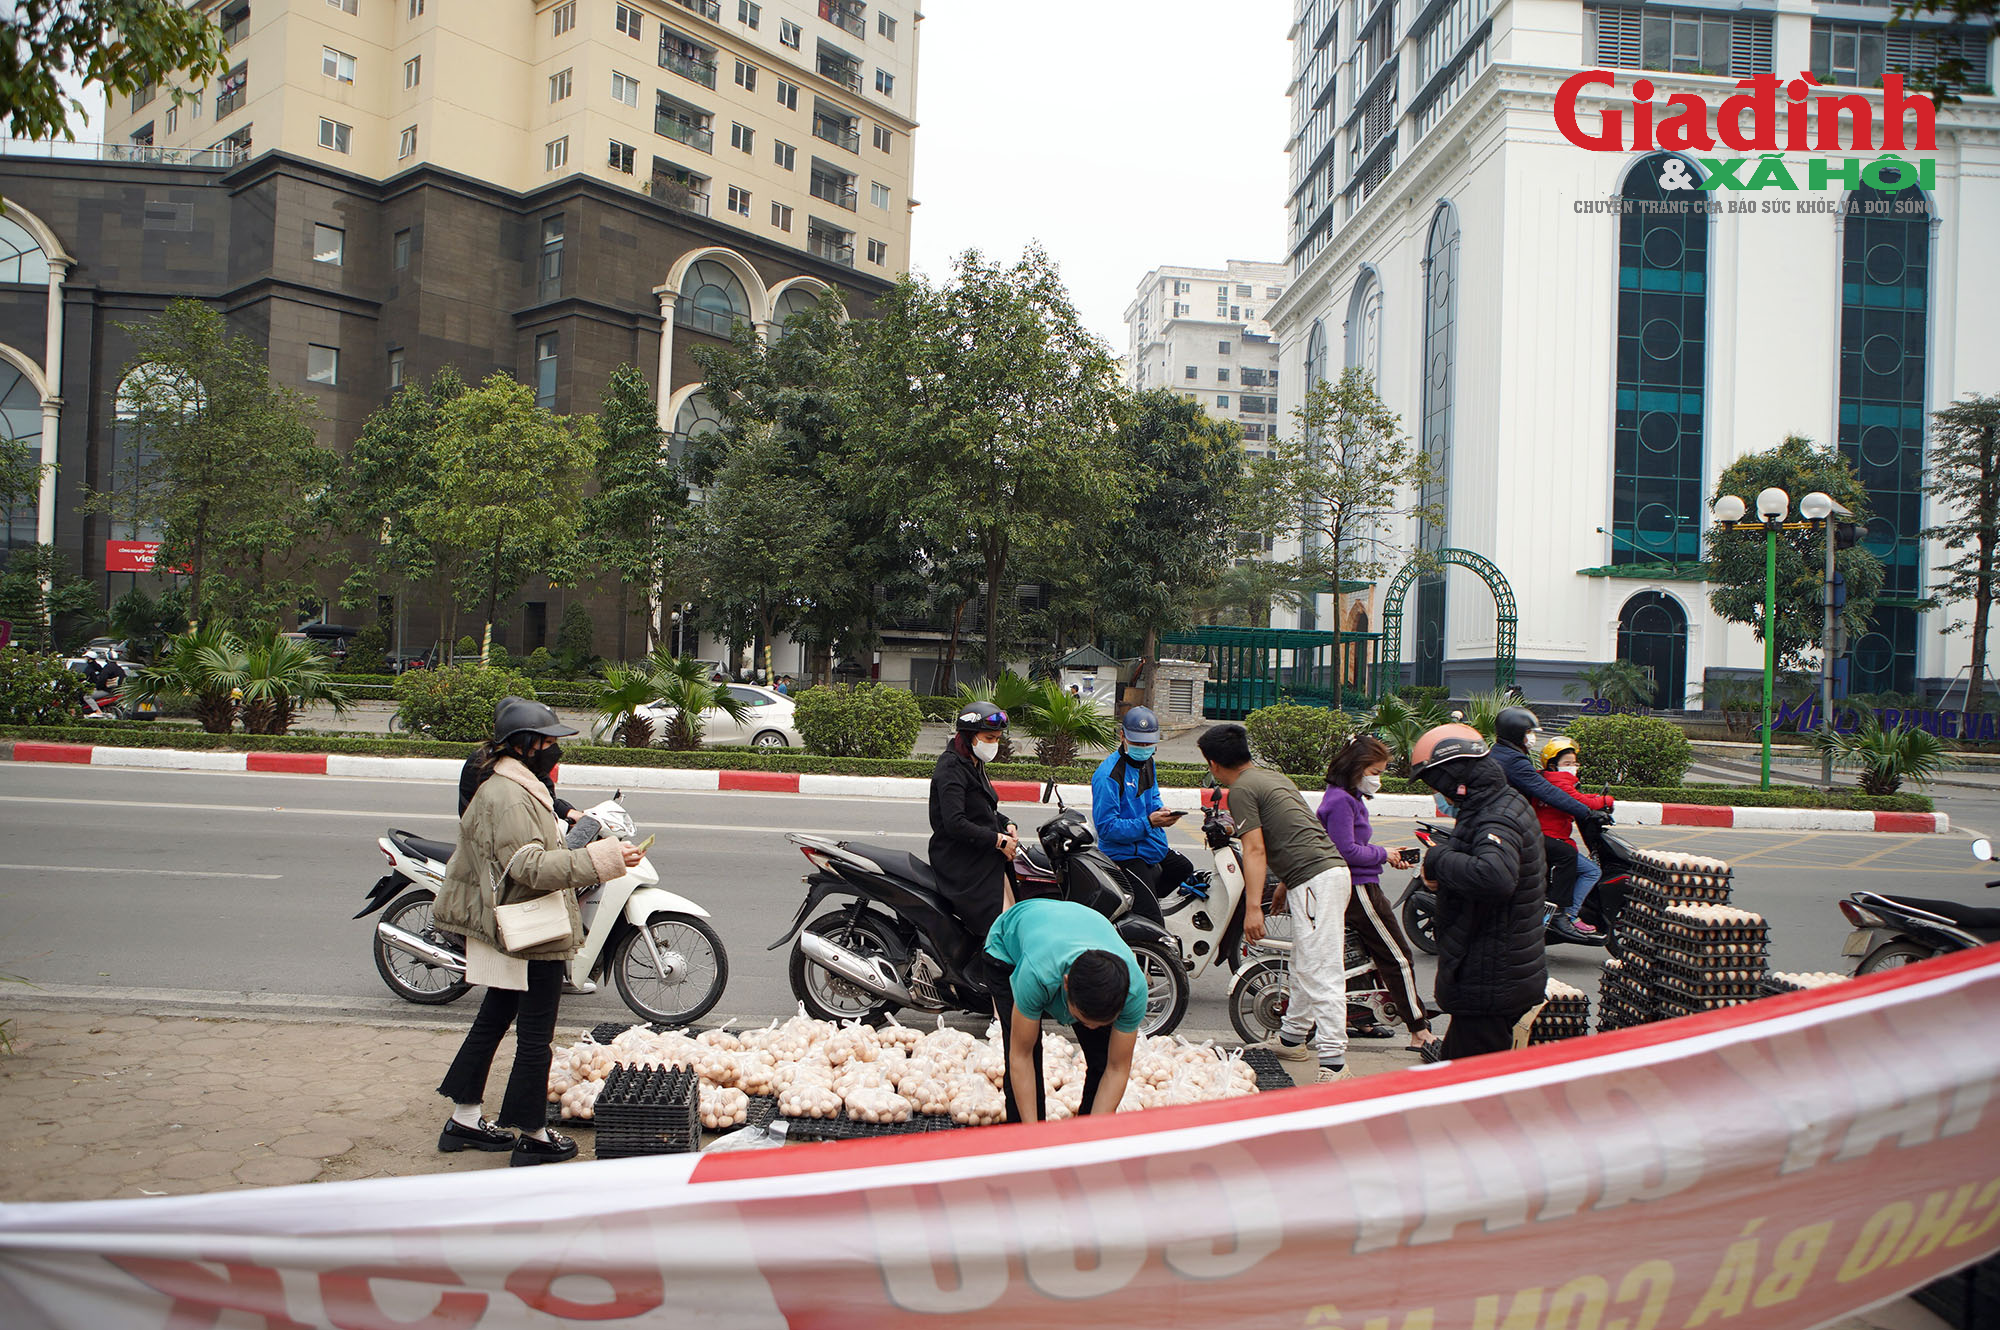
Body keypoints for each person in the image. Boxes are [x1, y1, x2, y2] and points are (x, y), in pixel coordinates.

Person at [431, 699, 645, 1165]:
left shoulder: (511, 784)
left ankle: (464, 1119)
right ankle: (533, 1135)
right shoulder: (510, 795)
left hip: (512, 921)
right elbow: (528, 867)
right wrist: (606, 858)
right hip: (531, 930)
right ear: (525, 745)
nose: (554, 749)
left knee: (494, 1019)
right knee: (534, 1035)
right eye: (547, 741)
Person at [1197, 722, 1352, 1084]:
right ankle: (1292, 1039)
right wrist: (1283, 883)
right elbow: (1296, 832)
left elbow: (1254, 849)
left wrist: (1254, 908)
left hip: (1316, 881)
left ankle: (1335, 1063)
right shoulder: (1272, 778)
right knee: (1303, 962)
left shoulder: (1240, 790)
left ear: (1214, 764)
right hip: (1318, 876)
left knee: (1321, 970)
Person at [1410, 723, 1550, 1061]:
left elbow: (1494, 876)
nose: (1437, 793)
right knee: (1460, 1073)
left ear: (1455, 778)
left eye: (1436, 784)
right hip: (1494, 974)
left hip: (1491, 979)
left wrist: (1438, 859)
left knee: (1470, 1081)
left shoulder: (1496, 817)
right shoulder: (1498, 802)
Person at [1316, 735, 1439, 1056]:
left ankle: (1360, 1019)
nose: (1377, 779)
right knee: (1397, 957)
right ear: (1356, 768)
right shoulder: (1342, 801)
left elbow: (1355, 846)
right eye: (1374, 772)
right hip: (1359, 888)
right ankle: (1420, 1031)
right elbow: (1345, 850)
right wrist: (1384, 854)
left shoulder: (1347, 797)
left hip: (1358, 883)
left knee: (1364, 957)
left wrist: (1386, 854)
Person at [984, 897, 1146, 1123]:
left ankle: (1087, 1134)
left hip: (1075, 927)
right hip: (1008, 946)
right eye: (1083, 1019)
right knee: (1026, 1052)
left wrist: (1096, 1134)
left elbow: (1117, 1068)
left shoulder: (1133, 991)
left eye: (1101, 1023)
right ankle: (1024, 1137)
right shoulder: (1037, 975)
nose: (1091, 1028)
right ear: (1067, 984)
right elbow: (1021, 1057)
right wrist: (1033, 1133)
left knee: (1102, 1058)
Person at [1491, 705, 1607, 941]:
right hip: (1507, 825)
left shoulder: (1503, 753)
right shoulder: (1514, 761)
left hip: (1504, 821)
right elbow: (1548, 792)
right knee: (1566, 854)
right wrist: (1586, 812)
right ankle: (1559, 914)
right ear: (1516, 733)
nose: (1531, 738)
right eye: (1528, 733)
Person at [1088, 705, 1187, 925]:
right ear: (1122, 736)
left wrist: (1161, 811)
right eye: (1137, 743)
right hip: (1124, 853)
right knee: (1154, 922)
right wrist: (1149, 822)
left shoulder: (1147, 761)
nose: (1143, 748)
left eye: (1148, 744)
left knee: (1183, 868)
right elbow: (1107, 828)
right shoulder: (1108, 776)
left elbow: (1153, 796)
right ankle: (1142, 915)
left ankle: (1139, 905)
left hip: (1149, 844)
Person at [930, 707, 1019, 945]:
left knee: (1012, 919)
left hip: (982, 853)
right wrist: (998, 840)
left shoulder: (973, 762)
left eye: (997, 739)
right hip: (960, 860)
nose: (994, 744)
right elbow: (955, 823)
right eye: (989, 738)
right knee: (1000, 931)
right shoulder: (951, 767)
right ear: (970, 736)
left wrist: (1006, 823)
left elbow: (982, 809)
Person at [1534, 737, 1615, 935]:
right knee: (1591, 871)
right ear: (1553, 765)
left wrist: (1595, 798)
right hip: (1552, 838)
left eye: (1574, 763)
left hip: (1545, 837)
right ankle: (1568, 915)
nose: (1572, 767)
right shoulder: (1558, 781)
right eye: (1567, 763)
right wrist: (1607, 800)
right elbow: (1581, 802)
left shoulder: (1548, 780)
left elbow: (1577, 797)